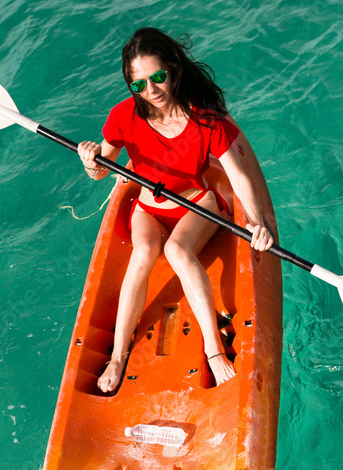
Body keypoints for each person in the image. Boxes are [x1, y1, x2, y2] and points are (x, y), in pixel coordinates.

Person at [78, 27, 274, 393]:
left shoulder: (205, 118)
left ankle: (214, 350)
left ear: (172, 68)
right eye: (139, 85)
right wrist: (89, 160)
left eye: (157, 77)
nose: (150, 91)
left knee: (177, 250)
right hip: (148, 209)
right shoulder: (124, 116)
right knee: (144, 253)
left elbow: (238, 175)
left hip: (197, 203)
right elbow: (102, 170)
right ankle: (119, 354)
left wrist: (259, 224)